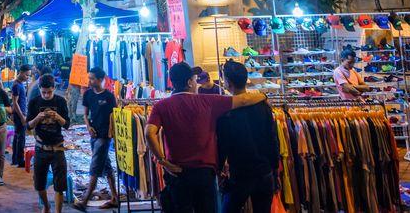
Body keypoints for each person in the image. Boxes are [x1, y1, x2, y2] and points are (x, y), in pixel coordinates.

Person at [144, 62, 267, 213]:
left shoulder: (161, 106)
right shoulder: (208, 101)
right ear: (189, 82)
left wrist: (162, 161)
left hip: (177, 172)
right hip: (204, 173)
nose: (197, 84)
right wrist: (262, 95)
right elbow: (243, 100)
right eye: (195, 80)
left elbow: (149, 133)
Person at [217, 60, 280, 213]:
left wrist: (219, 170)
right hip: (264, 171)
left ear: (228, 82)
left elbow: (222, 146)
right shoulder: (262, 105)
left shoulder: (226, 112)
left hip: (240, 174)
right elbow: (273, 140)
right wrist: (275, 169)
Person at [73, 67, 119, 211]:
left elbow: (115, 117)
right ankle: (115, 198)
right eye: (89, 77)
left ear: (100, 79)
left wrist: (113, 135)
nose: (90, 80)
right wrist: (88, 126)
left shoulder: (109, 97)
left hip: (104, 137)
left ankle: (84, 201)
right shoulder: (88, 95)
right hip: (94, 135)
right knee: (106, 166)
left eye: (92, 78)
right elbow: (86, 114)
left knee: (94, 167)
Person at [27, 74, 71, 213]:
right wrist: (37, 119)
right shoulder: (34, 102)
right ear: (39, 89)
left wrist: (58, 117)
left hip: (58, 147)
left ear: (54, 88)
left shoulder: (60, 101)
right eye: (43, 92)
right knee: (39, 184)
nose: (46, 95)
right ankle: (46, 205)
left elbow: (67, 125)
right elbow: (28, 126)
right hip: (41, 148)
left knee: (60, 185)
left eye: (49, 92)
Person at [10, 64, 31, 167]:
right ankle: (20, 160)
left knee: (17, 136)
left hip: (20, 114)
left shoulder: (20, 84)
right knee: (20, 138)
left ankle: (15, 159)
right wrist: (22, 117)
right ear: (21, 72)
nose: (28, 77)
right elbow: (15, 102)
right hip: (20, 115)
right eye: (27, 75)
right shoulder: (16, 85)